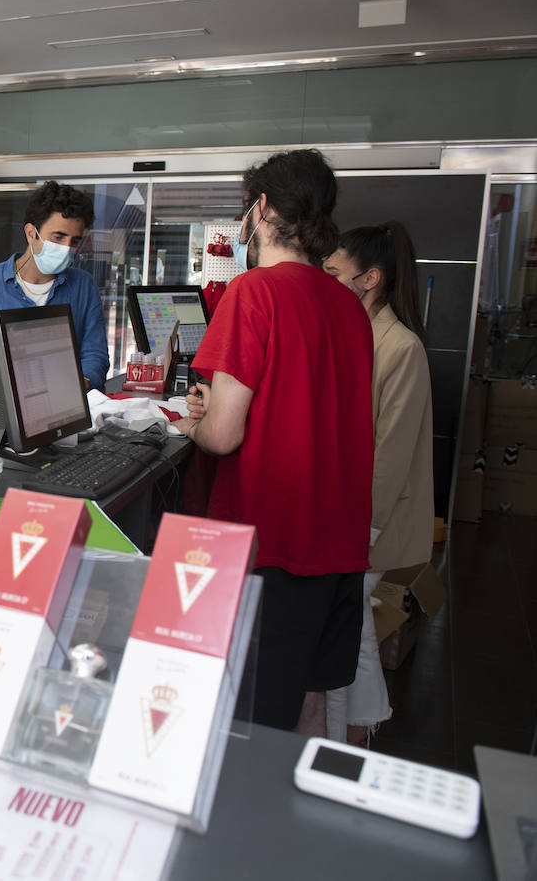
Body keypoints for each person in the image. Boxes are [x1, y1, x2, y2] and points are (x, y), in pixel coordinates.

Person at [174, 149, 375, 733]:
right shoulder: (348, 304)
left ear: (261, 208)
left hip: (273, 542)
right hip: (337, 539)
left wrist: (192, 424)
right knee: (310, 701)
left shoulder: (253, 293)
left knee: (255, 718)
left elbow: (222, 435)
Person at [322, 221, 433, 744]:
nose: (328, 280)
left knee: (356, 636)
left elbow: (390, 454)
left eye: (334, 272)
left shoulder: (401, 347)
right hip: (349, 512)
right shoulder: (354, 332)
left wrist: (366, 528)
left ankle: (357, 737)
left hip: (373, 518)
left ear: (370, 279)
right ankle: (354, 733)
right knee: (354, 632)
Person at [0, 182, 109, 420]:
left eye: (75, 241)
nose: (66, 248)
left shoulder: (83, 285)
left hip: (61, 421)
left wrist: (78, 383)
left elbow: (95, 355)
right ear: (31, 233)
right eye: (58, 237)